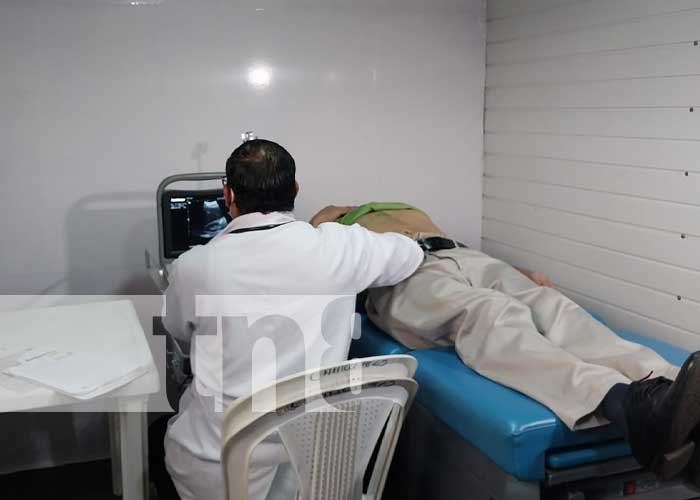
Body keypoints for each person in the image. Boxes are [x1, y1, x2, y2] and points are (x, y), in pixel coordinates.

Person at [310, 202, 700, 481]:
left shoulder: (407, 208)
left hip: (464, 256)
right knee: (488, 312)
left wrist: (519, 271)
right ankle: (621, 402)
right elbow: (325, 268)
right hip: (400, 277)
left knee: (552, 304)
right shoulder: (328, 220)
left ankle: (671, 388)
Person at [162, 146, 423, 500]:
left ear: (229, 194)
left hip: (220, 470)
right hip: (320, 471)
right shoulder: (340, 247)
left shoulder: (194, 267)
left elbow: (178, 332)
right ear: (295, 190)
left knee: (166, 429)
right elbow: (411, 254)